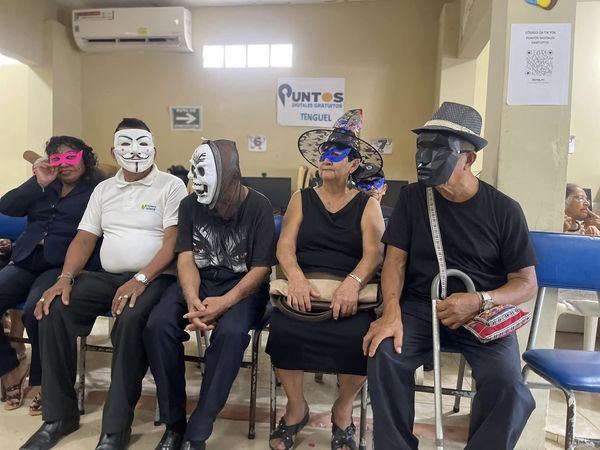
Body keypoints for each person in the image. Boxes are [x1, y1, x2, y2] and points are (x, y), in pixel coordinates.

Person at [364, 102, 538, 450]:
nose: (423, 158)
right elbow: (395, 263)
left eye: (438, 149)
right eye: (421, 147)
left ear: (468, 158)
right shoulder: (413, 198)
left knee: (508, 385)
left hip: (481, 311)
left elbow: (526, 282)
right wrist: (391, 313)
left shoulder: (504, 210)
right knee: (384, 354)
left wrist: (480, 300)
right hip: (420, 307)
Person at [21, 118, 188, 450]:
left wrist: (141, 279)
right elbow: (84, 238)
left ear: (154, 149)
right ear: (114, 151)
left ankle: (115, 427)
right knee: (53, 308)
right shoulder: (104, 189)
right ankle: (58, 416)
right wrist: (64, 279)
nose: (134, 151)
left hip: (155, 278)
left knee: (129, 319)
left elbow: (173, 242)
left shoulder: (171, 186)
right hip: (108, 277)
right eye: (126, 145)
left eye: (142, 144)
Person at [144, 139, 276, 450]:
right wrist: (192, 297)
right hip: (199, 281)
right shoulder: (190, 205)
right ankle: (174, 424)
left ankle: (198, 431)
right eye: (194, 171)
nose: (195, 179)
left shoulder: (259, 206)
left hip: (243, 287)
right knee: (158, 326)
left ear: (233, 177)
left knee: (230, 334)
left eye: (203, 172)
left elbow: (261, 269)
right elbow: (186, 257)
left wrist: (224, 303)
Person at [266, 109, 385, 450]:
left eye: (337, 153)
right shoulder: (301, 199)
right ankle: (296, 408)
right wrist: (296, 279)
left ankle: (343, 411)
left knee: (359, 337)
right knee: (283, 332)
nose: (327, 158)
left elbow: (374, 254)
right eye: (324, 152)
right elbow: (285, 246)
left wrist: (353, 283)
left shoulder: (367, 205)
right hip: (305, 285)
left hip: (349, 289)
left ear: (354, 164)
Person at [0, 136, 103, 415]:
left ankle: (46, 382)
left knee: (37, 310)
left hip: (62, 264)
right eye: (57, 158)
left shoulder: (97, 190)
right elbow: (6, 206)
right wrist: (38, 182)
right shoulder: (45, 185)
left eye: (71, 157)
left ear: (84, 158)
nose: (65, 164)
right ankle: (9, 368)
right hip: (26, 258)